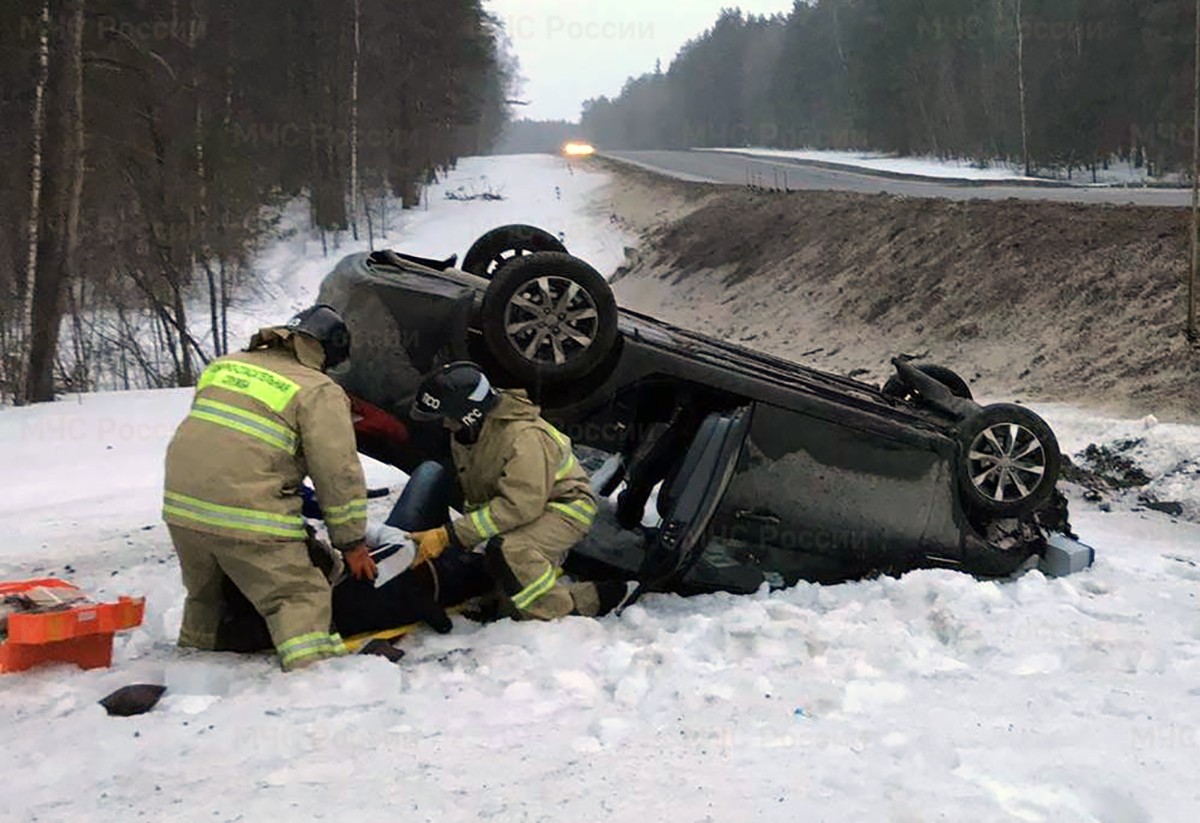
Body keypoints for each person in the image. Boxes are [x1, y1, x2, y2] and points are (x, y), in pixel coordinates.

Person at [162, 304, 377, 672]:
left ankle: (192, 665)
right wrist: (352, 544)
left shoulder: (227, 366)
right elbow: (338, 473)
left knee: (207, 599)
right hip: (249, 518)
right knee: (299, 594)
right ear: (326, 352)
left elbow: (227, 443)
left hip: (182, 511)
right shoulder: (318, 390)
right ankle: (310, 677)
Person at [405, 362, 633, 620]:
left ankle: (575, 605)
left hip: (564, 507)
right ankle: (511, 599)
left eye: (449, 416)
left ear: (470, 413)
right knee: (503, 575)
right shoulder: (470, 433)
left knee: (513, 550)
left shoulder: (524, 437)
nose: (446, 424)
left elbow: (520, 505)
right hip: (528, 506)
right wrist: (466, 542)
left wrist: (452, 535)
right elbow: (480, 494)